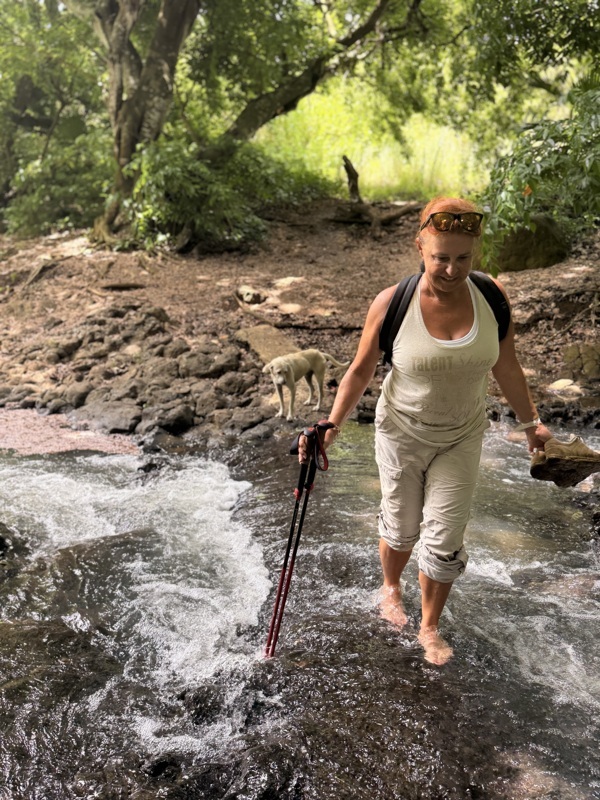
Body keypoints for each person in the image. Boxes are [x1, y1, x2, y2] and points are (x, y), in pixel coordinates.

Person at [298, 196, 553, 665]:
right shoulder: (392, 303)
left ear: (476, 254)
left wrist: (531, 424)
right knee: (401, 529)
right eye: (441, 258)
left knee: (445, 537)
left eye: (463, 258)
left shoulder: (492, 297)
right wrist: (331, 425)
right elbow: (360, 370)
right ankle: (391, 587)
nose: (452, 270)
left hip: (462, 434)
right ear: (420, 247)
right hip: (401, 431)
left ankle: (429, 626)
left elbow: (507, 367)